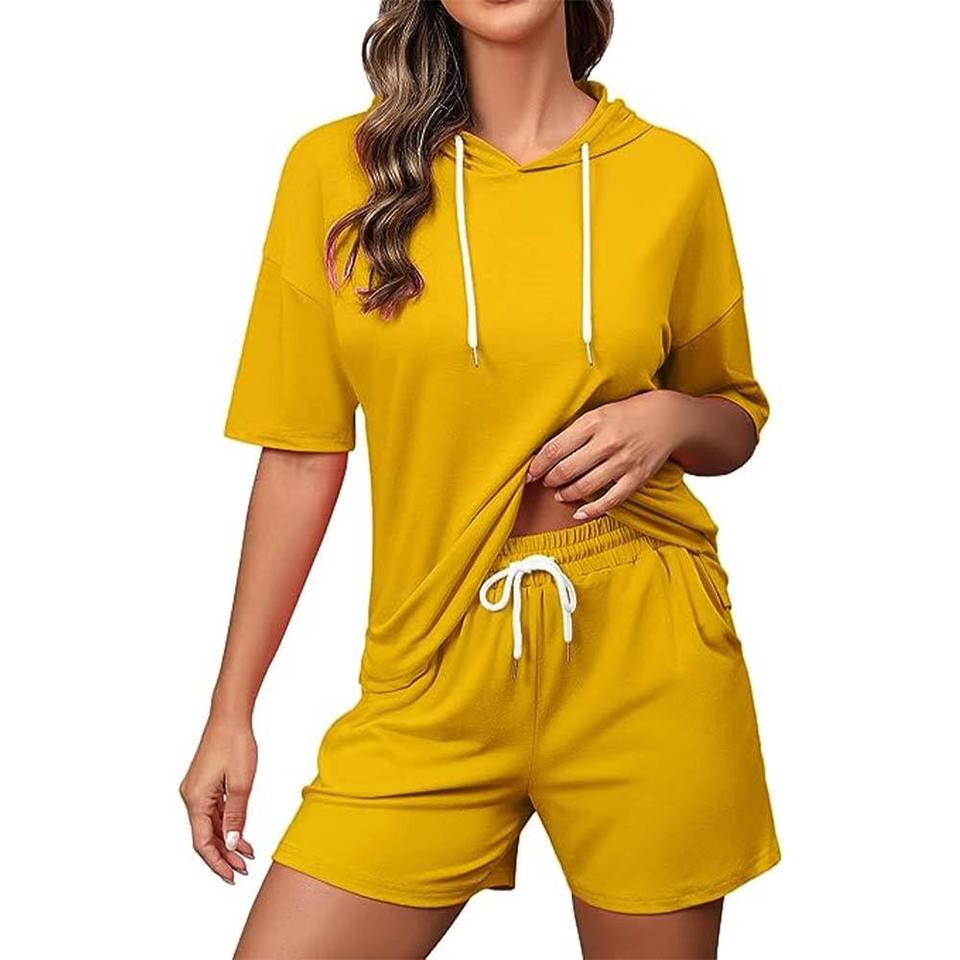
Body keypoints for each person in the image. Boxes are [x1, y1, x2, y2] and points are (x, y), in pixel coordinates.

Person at [180, 1, 780, 956]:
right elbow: (299, 454)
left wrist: (670, 417)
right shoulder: (335, 172)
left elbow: (735, 417)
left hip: (645, 652)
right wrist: (231, 711)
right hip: (431, 661)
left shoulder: (673, 175)